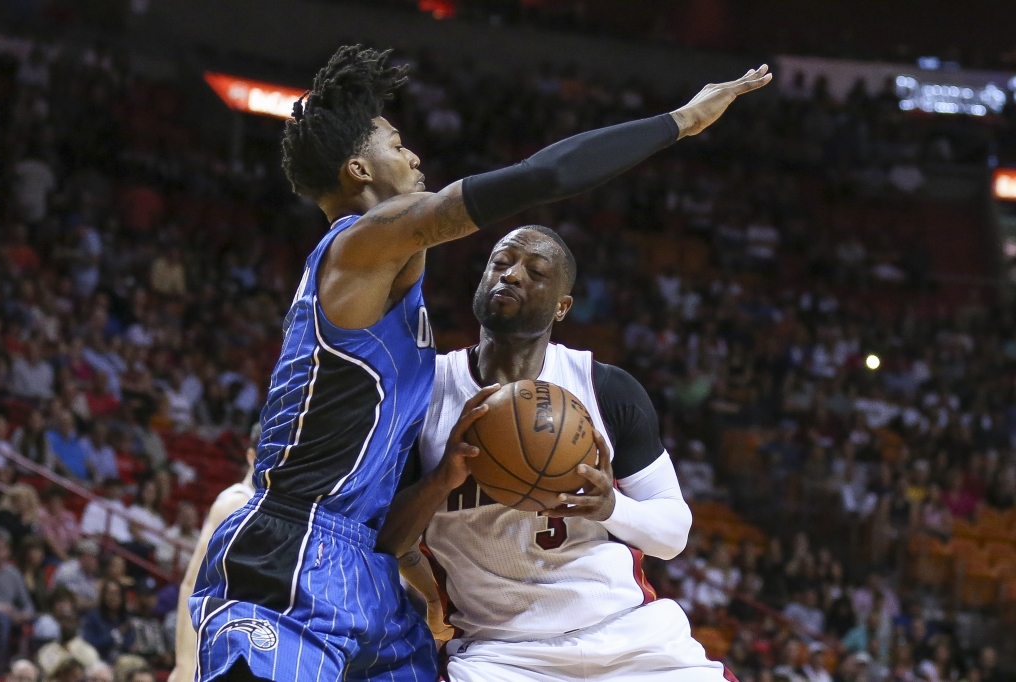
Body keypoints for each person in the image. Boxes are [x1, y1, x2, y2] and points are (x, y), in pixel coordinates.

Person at [191, 43, 770, 682]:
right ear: (359, 170)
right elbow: (543, 178)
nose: (413, 156)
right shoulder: (362, 244)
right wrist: (682, 121)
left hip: (367, 563)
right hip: (296, 540)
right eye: (395, 142)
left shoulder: (397, 286)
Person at [378, 226, 730, 680]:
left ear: (563, 306)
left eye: (536, 270)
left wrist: (611, 506)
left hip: (628, 634)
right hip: (501, 653)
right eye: (500, 263)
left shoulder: (605, 389)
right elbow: (385, 542)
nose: (513, 275)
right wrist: (438, 481)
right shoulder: (423, 395)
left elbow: (672, 536)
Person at [168, 427, 256, 682]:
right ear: (252, 457)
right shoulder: (235, 503)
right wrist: (185, 662)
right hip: (220, 642)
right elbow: (193, 584)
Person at [0, 527, 35, 671]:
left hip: (12, 618)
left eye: (3, 548)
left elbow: (27, 604)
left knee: (4, 617)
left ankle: (4, 663)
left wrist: (22, 614)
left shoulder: (13, 573)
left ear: (9, 551)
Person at [36, 590, 101, 674]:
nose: (65, 624)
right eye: (62, 620)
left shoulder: (88, 652)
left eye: (69, 620)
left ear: (77, 623)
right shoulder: (46, 651)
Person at [82, 579, 134, 662]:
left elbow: (130, 642)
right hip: (99, 660)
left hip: (123, 661)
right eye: (110, 594)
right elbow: (89, 643)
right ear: (103, 596)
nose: (114, 598)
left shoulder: (126, 617)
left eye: (117, 594)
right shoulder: (93, 616)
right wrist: (116, 634)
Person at [127, 577, 171, 669]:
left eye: (153, 594)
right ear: (138, 596)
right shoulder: (128, 618)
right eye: (147, 595)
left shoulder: (156, 621)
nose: (152, 599)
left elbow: (164, 649)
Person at [52, 539, 101, 612]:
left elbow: (94, 597)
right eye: (93, 558)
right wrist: (98, 603)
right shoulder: (68, 570)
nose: (95, 562)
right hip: (61, 612)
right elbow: (75, 603)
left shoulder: (88, 574)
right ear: (84, 556)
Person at [39, 487, 81, 562]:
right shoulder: (43, 516)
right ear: (47, 503)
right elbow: (51, 543)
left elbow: (76, 538)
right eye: (53, 502)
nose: (56, 505)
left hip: (71, 550)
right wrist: (67, 560)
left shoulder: (68, 515)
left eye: (59, 501)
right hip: (52, 554)